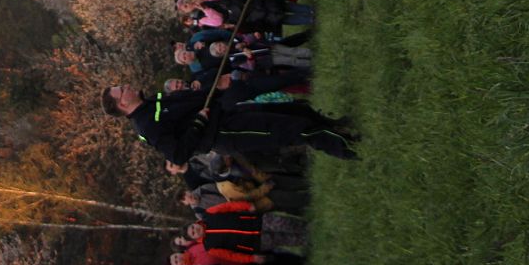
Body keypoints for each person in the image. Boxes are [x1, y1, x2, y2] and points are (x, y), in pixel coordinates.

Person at [103, 83, 359, 161]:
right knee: (291, 130)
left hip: (227, 112)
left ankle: (336, 126)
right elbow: (178, 154)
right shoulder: (147, 126)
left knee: (293, 110)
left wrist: (217, 88)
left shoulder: (153, 101)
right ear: (122, 104)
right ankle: (347, 147)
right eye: (121, 90)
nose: (127, 86)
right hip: (224, 132)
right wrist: (198, 124)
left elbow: (194, 99)